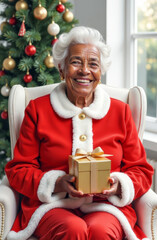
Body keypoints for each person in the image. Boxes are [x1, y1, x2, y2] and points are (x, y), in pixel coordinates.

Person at [5, 26, 153, 240]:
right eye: (75, 62)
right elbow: (18, 170)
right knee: (73, 229)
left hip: (107, 207)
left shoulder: (120, 111)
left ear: (100, 72)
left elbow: (141, 170)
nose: (85, 70)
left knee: (101, 230)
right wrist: (56, 183)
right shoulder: (38, 110)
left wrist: (118, 185)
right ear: (61, 69)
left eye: (93, 64)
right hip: (52, 206)